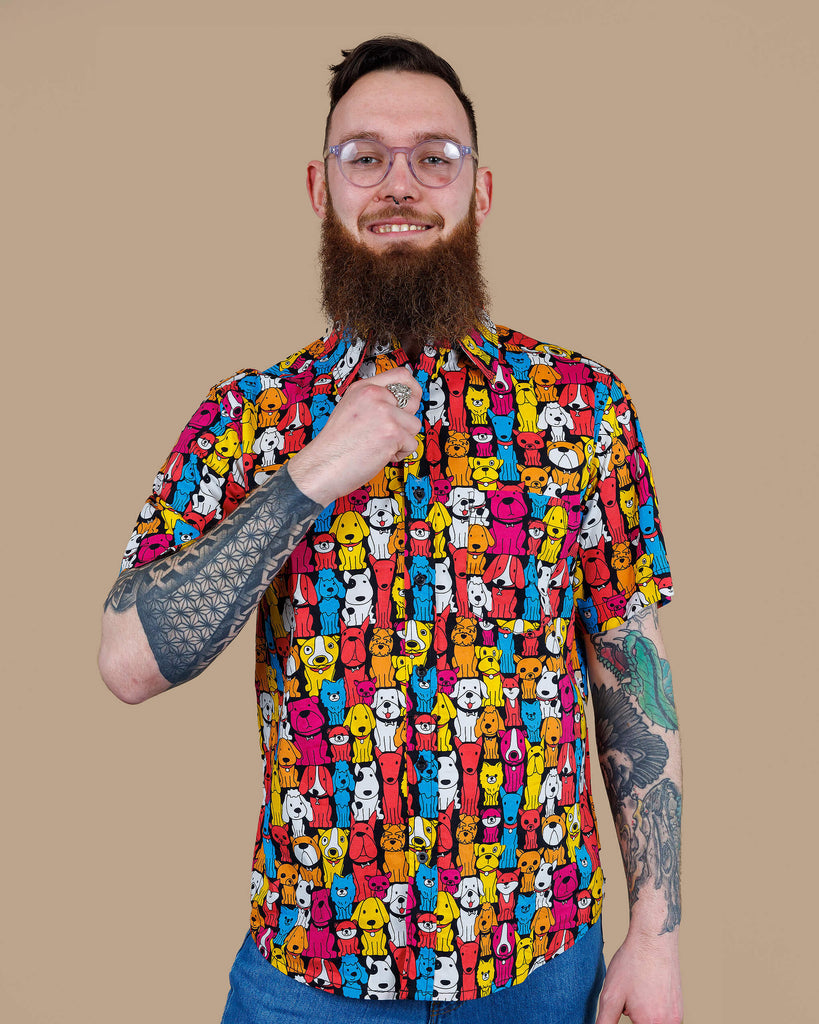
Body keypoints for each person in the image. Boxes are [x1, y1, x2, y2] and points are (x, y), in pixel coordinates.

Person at [99, 36, 682, 1024]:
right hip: (309, 976)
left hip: (537, 964)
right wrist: (312, 473)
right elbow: (130, 660)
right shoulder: (250, 417)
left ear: (481, 191)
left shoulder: (584, 406)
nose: (399, 183)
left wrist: (656, 935)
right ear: (319, 189)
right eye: (364, 156)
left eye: (434, 156)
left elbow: (632, 672)